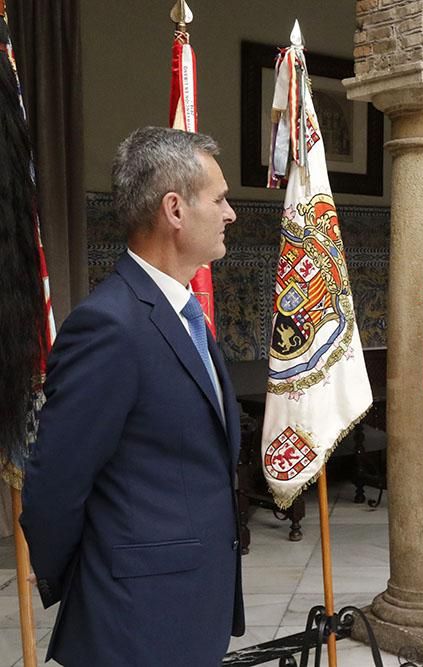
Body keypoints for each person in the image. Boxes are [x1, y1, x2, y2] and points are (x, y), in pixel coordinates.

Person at [20, 127, 244, 666]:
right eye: (219, 199)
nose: (230, 212)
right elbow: (53, 487)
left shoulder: (185, 314)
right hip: (134, 624)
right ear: (175, 209)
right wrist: (97, 576)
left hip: (192, 610)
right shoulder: (110, 325)